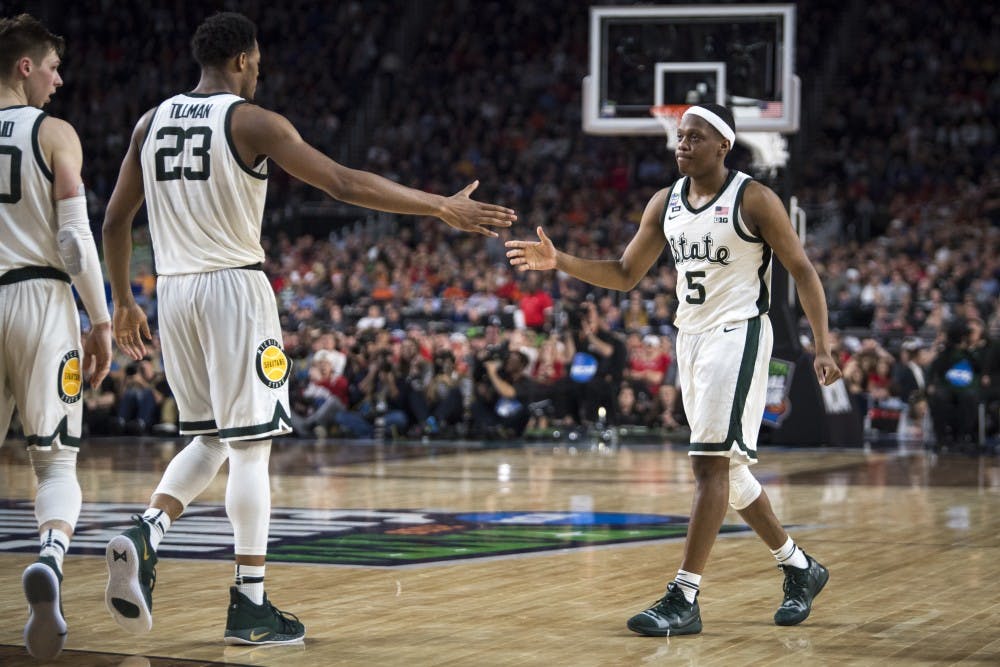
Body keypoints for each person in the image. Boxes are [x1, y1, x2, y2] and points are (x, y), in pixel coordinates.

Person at [101, 11, 515, 645]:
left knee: (210, 440)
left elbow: (114, 222)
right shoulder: (252, 121)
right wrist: (440, 206)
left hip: (174, 295)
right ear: (242, 59)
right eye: (258, 62)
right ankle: (250, 605)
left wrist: (126, 300)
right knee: (250, 450)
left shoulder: (148, 123)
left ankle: (145, 531)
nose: (260, 71)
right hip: (233, 287)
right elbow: (343, 182)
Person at [506, 103, 842, 636]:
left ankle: (684, 597)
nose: (681, 144)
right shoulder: (665, 202)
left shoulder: (754, 198)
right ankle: (800, 567)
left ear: (723, 145)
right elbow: (623, 273)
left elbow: (801, 269)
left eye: (694, 136)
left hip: (741, 333)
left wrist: (822, 344)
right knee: (728, 472)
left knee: (708, 465)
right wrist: (561, 261)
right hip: (691, 337)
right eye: (679, 136)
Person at [0, 14, 112, 660]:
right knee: (57, 461)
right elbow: (72, 237)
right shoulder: (54, 133)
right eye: (51, 67)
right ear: (24, 67)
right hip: (41, 299)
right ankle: (49, 559)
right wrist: (99, 318)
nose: (59, 80)